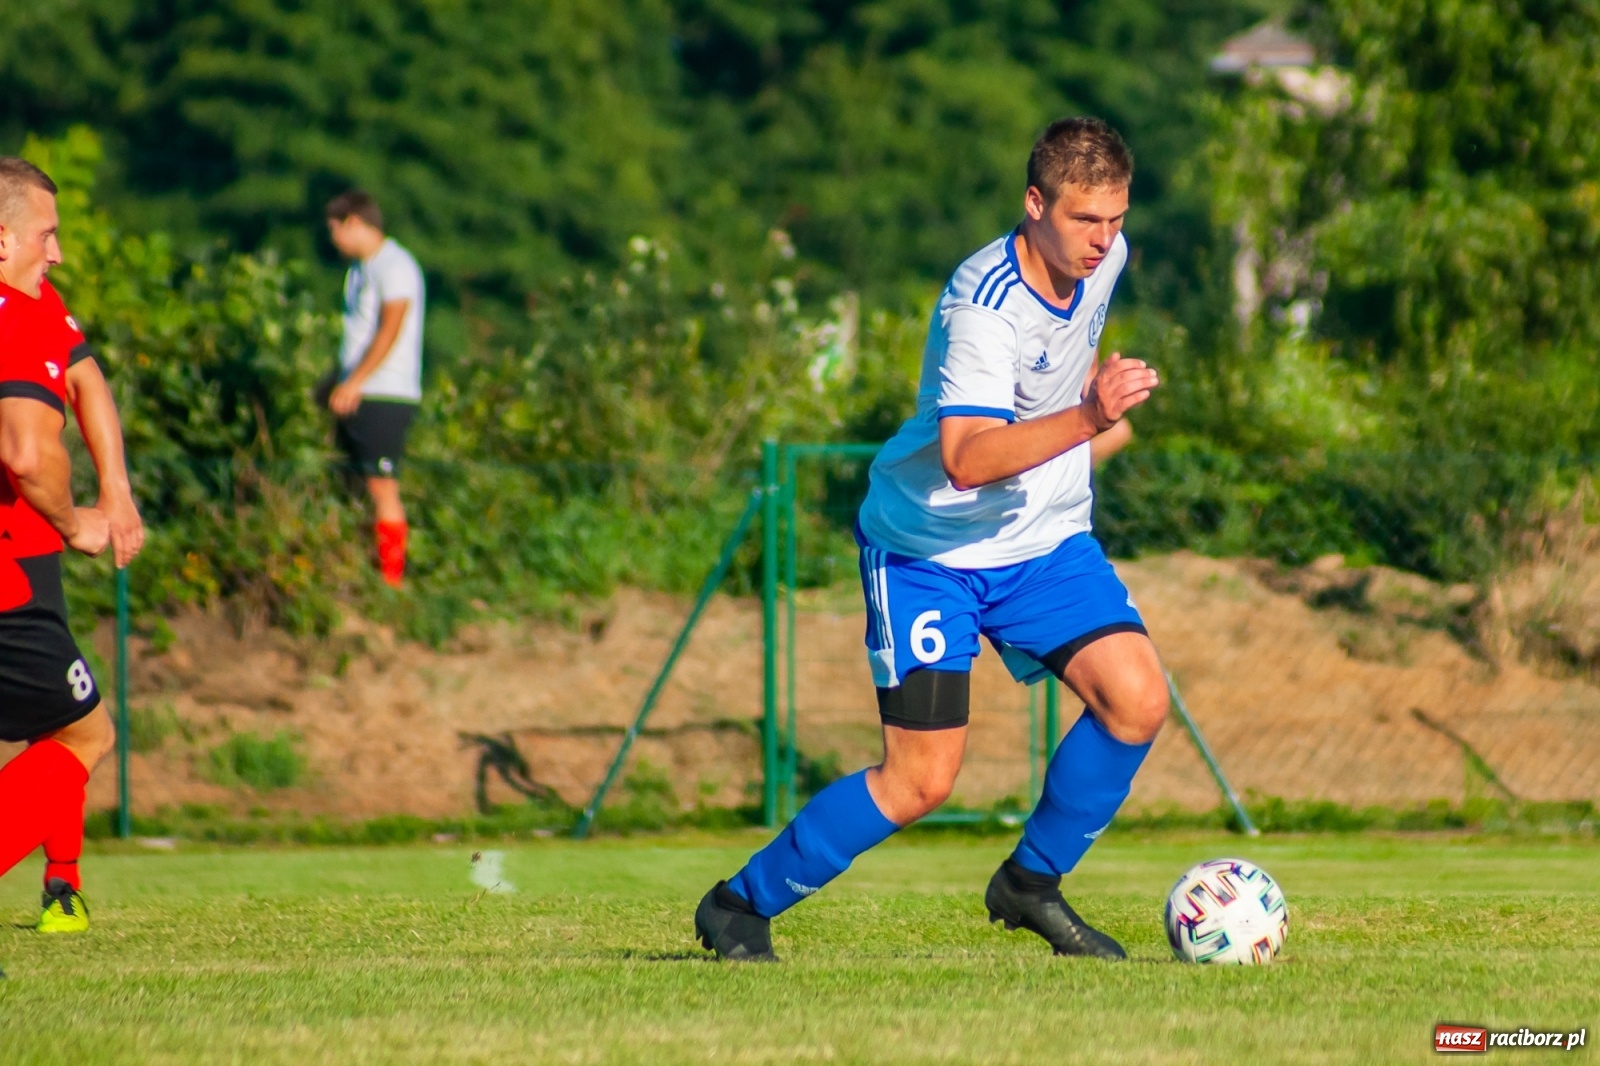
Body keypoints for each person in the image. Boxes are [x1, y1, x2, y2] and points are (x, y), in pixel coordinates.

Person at [695, 118, 1167, 962]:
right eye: (1084, 219)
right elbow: (966, 459)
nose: (1104, 240)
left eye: (1117, 218)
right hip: (930, 553)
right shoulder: (980, 307)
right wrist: (1090, 417)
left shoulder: (1108, 261)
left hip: (1043, 541)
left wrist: (1085, 408)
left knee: (1136, 700)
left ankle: (1030, 885)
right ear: (1033, 204)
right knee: (920, 781)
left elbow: (1068, 353)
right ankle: (740, 904)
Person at [0, 155, 132, 936]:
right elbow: (25, 450)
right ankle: (61, 884)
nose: (57, 252)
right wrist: (76, 518)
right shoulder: (11, 318)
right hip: (11, 570)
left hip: (24, 566)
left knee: (62, 722)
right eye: (46, 235)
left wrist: (115, 490)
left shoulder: (37, 302)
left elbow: (85, 377)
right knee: (87, 733)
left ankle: (64, 887)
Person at [324, 191, 425, 587]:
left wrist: (356, 380)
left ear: (354, 222)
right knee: (357, 484)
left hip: (384, 392)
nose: (334, 240)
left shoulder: (393, 265)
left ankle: (391, 582)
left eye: (335, 229)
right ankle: (361, 570)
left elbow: (391, 326)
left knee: (383, 486)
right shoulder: (361, 270)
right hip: (361, 389)